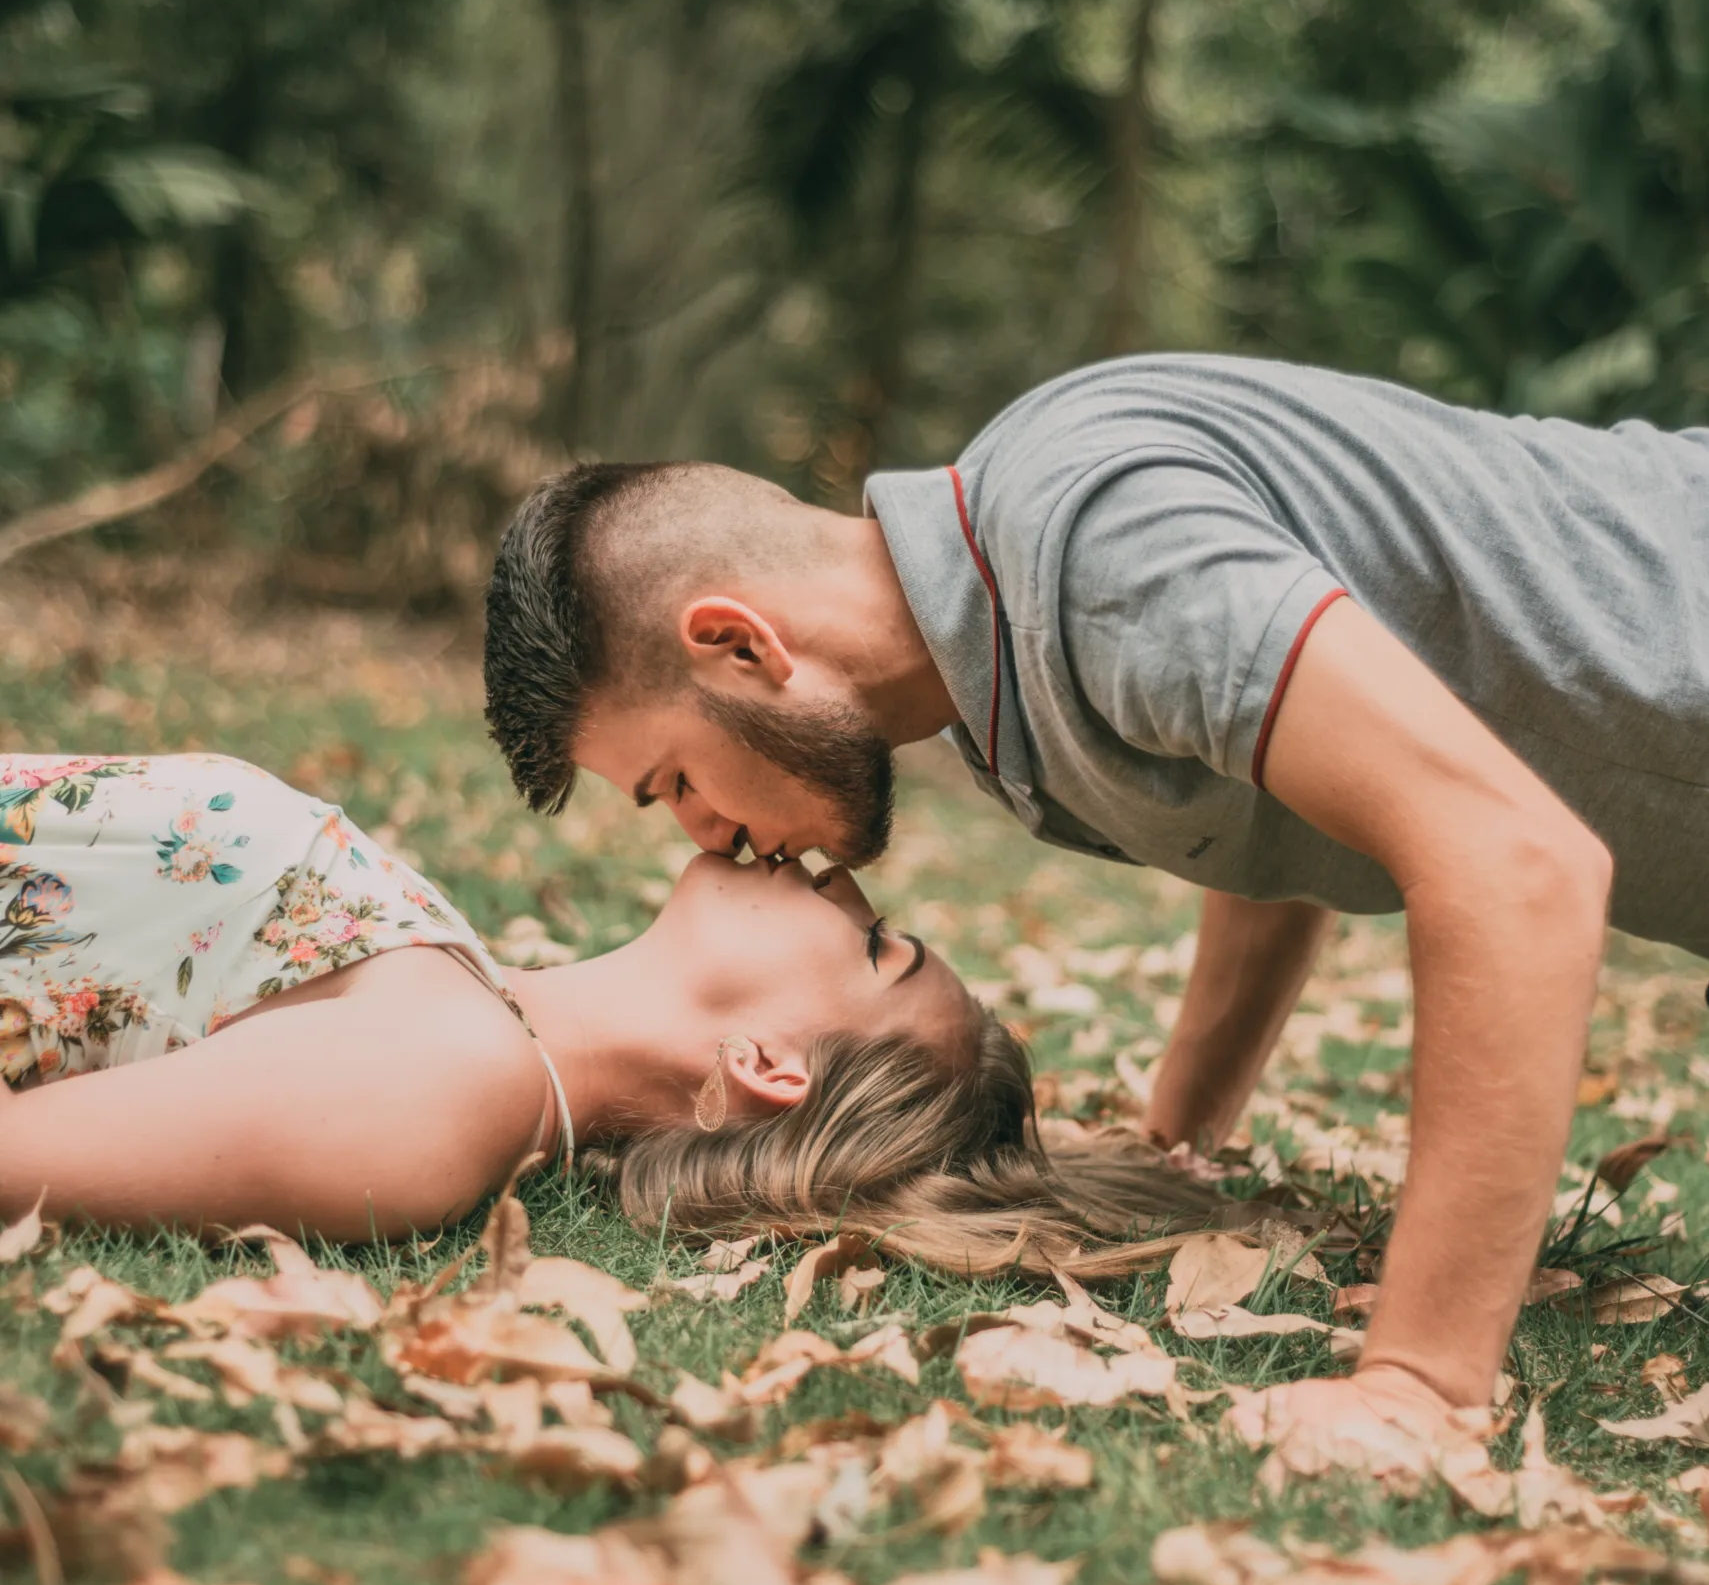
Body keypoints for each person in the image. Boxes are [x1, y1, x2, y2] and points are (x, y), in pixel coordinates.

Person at [483, 353, 1709, 1446]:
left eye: (675, 782)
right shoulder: (992, 686)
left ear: (740, 645)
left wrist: (1417, 1384)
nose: (709, 836)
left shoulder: (1093, 552)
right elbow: (1282, 790)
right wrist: (1181, 1132)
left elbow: (1513, 862)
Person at [0, 747, 1190, 1264]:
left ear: (768, 1060)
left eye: (875, 943)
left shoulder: (444, 1092)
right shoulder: (464, 1003)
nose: (837, 874)